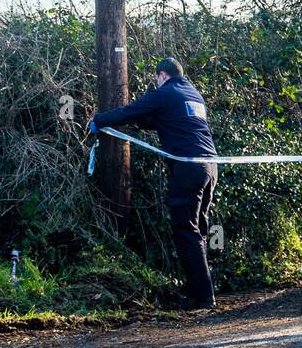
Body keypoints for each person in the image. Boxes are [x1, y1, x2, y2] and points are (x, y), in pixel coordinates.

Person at [90, 58, 219, 309]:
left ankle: (202, 296)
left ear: (161, 75)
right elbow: (161, 120)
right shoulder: (193, 94)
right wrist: (137, 124)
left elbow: (131, 110)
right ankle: (200, 289)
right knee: (197, 230)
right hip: (210, 167)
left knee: (185, 229)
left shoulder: (166, 93)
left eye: (156, 79)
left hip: (188, 167)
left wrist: (100, 120)